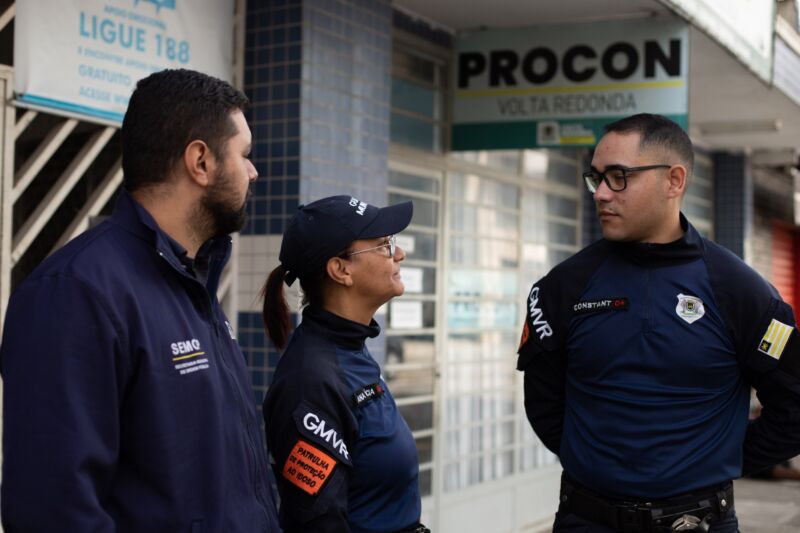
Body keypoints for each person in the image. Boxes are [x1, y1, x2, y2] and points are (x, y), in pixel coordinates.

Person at [0, 69, 281, 531]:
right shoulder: (76, 293)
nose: (254, 171)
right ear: (201, 162)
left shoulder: (195, 281)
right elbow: (54, 513)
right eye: (245, 155)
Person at [517, 113, 800, 532]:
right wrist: (598, 465)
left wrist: (719, 458)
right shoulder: (562, 287)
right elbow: (544, 405)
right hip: (586, 520)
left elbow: (794, 405)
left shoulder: (740, 291)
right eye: (596, 178)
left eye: (618, 176)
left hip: (699, 522)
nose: (601, 194)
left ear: (674, 181)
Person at [261, 195, 428, 533]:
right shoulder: (311, 379)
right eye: (383, 245)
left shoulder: (349, 349)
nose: (399, 253)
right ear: (341, 270)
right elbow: (318, 524)